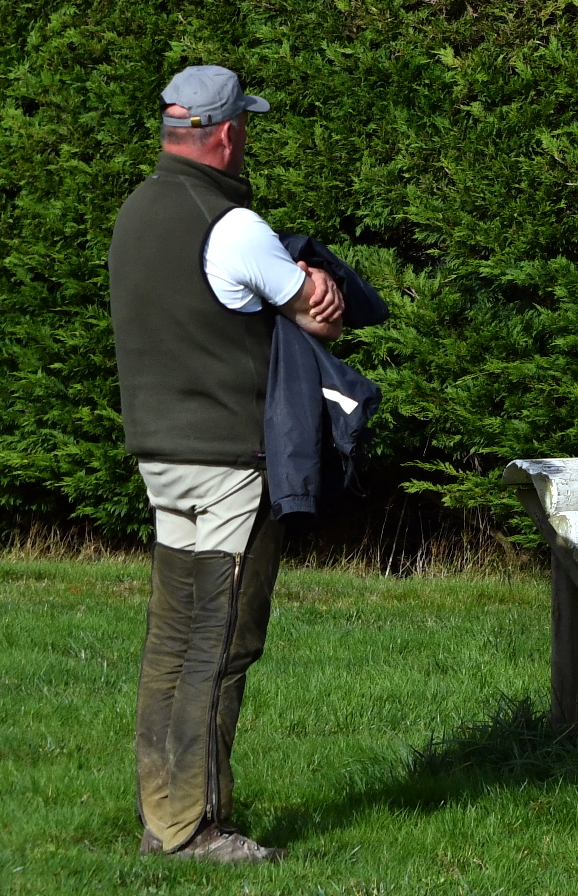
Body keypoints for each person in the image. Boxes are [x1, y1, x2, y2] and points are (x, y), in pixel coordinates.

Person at [108, 65, 344, 864]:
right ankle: (194, 830)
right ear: (227, 132)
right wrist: (315, 285)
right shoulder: (234, 224)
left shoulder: (136, 212)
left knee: (173, 639)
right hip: (228, 465)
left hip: (161, 458)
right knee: (222, 640)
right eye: (246, 125)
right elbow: (318, 319)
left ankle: (160, 817)